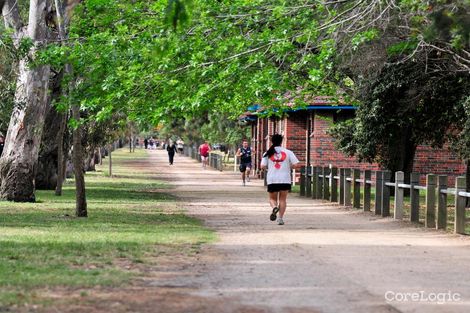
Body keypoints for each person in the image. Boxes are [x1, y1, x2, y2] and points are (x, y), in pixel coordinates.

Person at [260, 134, 301, 225]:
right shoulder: (288, 152)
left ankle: (274, 207)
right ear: (281, 141)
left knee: (272, 199)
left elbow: (262, 166)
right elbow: (296, 165)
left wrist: (268, 169)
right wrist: (288, 166)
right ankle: (280, 219)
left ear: (272, 141)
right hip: (285, 179)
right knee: (283, 199)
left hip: (272, 179)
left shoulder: (267, 153)